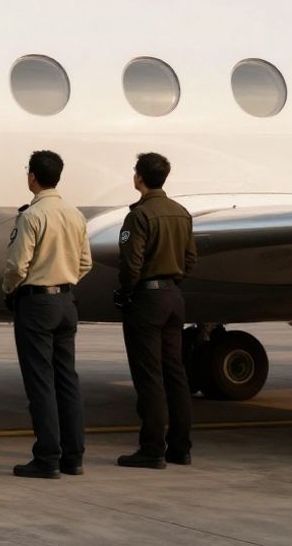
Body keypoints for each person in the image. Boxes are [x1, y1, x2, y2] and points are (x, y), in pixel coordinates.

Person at [3, 150, 92, 479]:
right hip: (66, 302)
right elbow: (86, 263)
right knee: (67, 380)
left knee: (41, 383)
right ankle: (74, 456)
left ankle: (47, 457)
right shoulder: (75, 214)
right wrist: (64, 280)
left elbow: (16, 266)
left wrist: (10, 290)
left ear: (32, 177)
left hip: (37, 304)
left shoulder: (32, 216)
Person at [114, 152, 198, 469]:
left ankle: (151, 448)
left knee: (149, 377)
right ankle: (181, 447)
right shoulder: (181, 213)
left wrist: (125, 292)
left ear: (139, 178)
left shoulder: (139, 216)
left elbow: (131, 265)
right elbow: (190, 259)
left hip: (147, 301)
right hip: (174, 297)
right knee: (175, 374)